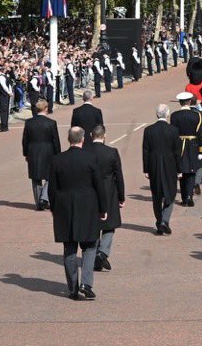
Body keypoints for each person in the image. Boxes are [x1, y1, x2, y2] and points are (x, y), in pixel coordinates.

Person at [48, 127, 108, 300]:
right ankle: (86, 283)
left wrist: (54, 208)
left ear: (69, 139)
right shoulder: (90, 158)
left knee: (69, 248)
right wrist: (103, 209)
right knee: (89, 246)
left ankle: (73, 287)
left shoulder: (57, 159)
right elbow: (99, 186)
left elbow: (52, 188)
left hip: (65, 207)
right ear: (83, 139)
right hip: (87, 206)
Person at [86, 125, 124, 273]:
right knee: (109, 225)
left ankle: (97, 254)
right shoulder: (112, 152)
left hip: (90, 192)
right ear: (104, 136)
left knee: (95, 225)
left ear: (91, 135)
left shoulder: (85, 152)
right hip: (109, 191)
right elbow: (118, 176)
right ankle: (102, 252)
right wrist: (121, 196)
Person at [142, 104, 180, 235]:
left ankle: (160, 221)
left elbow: (145, 151)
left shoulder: (148, 130)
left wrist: (146, 169)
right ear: (167, 114)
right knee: (170, 193)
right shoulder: (173, 130)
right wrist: (179, 169)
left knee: (156, 194)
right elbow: (177, 151)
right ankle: (164, 220)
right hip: (170, 164)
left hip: (154, 165)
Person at [22, 100, 62, 210]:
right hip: (48, 152)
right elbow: (55, 140)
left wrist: (26, 153)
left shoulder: (29, 122)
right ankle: (44, 198)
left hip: (33, 152)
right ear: (45, 109)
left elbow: (25, 140)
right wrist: (58, 154)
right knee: (50, 177)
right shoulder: (51, 123)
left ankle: (39, 203)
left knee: (36, 178)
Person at [170, 92, 202, 206]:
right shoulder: (196, 115)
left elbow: (173, 133)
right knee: (191, 171)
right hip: (193, 144)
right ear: (189, 102)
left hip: (179, 144)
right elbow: (200, 134)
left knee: (181, 171)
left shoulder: (174, 115)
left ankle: (184, 197)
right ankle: (189, 196)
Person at [0, 65, 11, 132]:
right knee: (5, 110)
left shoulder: (1, 77)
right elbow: (9, 85)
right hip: (6, 95)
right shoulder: (5, 76)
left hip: (3, 95)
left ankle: (3, 126)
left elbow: (4, 86)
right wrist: (10, 92)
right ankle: (5, 126)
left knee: (3, 111)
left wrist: (8, 92)